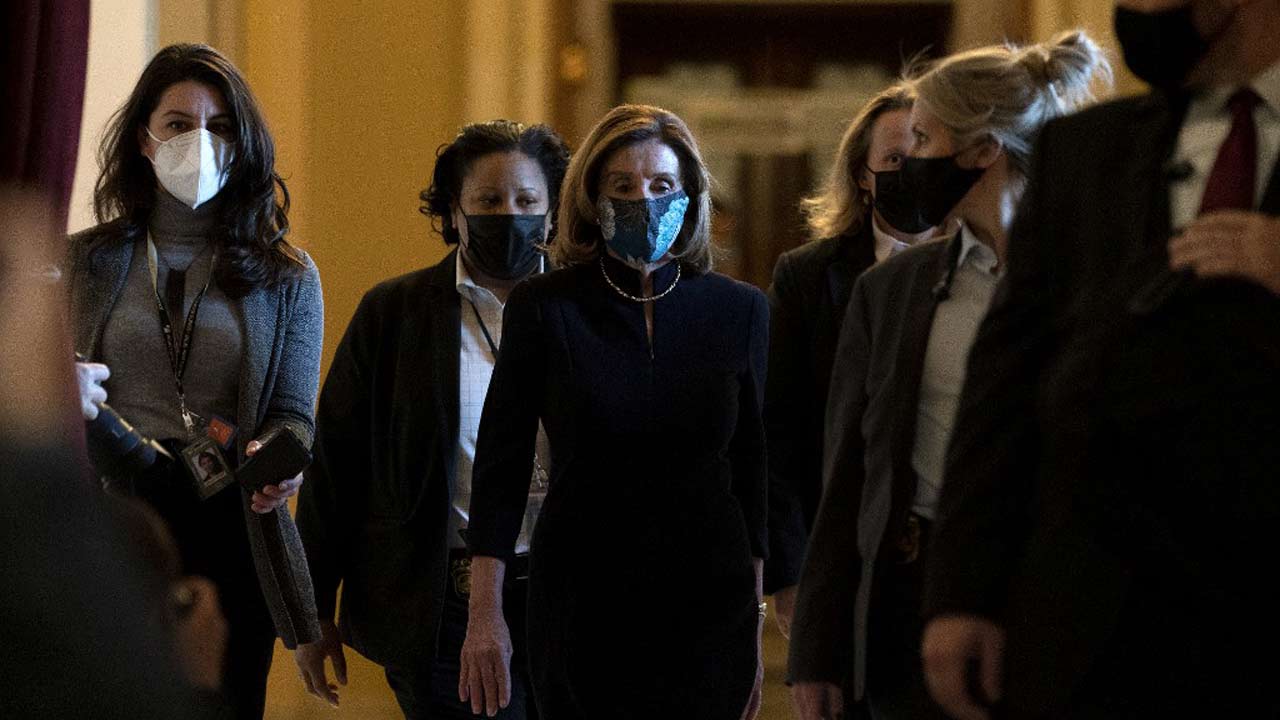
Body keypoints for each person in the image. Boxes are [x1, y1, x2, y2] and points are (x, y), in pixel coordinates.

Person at [921, 2, 1280, 718]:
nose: (1131, 10)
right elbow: (1007, 379)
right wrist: (963, 592)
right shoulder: (1085, 150)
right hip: (1095, 621)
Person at [787, 32, 1111, 720]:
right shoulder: (891, 290)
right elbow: (849, 473)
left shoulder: (1095, 274)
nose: (906, 164)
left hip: (1060, 589)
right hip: (912, 594)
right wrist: (817, 647)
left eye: (923, 141)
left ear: (983, 150)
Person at [460, 104, 768, 720]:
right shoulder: (545, 306)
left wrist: (755, 622)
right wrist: (485, 613)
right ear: (592, 199)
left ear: (690, 197)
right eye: (622, 187)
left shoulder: (740, 310)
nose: (642, 202)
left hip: (709, 599)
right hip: (581, 597)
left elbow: (755, 471)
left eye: (661, 185)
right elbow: (501, 465)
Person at [66, 43, 323, 719]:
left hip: (230, 519)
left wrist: (282, 457)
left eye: (220, 127)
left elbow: (295, 414)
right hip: (116, 516)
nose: (199, 143)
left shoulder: (288, 275)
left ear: (242, 146)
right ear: (143, 139)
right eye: (179, 124)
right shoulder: (85, 261)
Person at [293, 119, 570, 719]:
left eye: (527, 201)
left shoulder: (582, 311)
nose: (509, 216)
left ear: (553, 214)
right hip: (441, 606)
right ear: (453, 212)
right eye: (488, 201)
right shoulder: (394, 314)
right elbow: (335, 464)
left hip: (569, 600)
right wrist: (311, 609)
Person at [765, 82, 936, 640]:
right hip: (839, 548)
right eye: (895, 159)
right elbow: (779, 432)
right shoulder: (809, 277)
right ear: (863, 175)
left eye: (925, 151)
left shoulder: (989, 263)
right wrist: (790, 575)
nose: (912, 170)